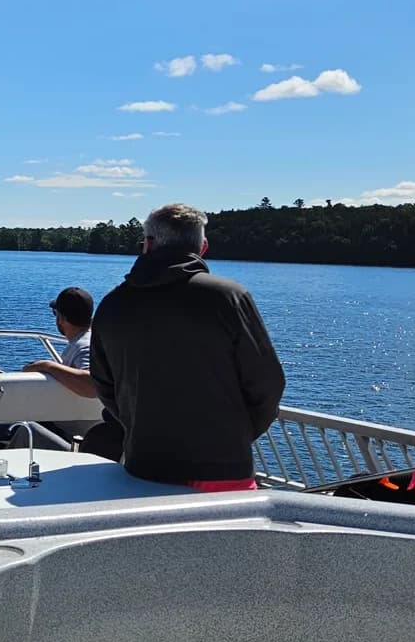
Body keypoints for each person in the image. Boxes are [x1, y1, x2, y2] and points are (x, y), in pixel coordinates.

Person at [90, 203, 286, 493]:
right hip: (223, 472)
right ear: (202, 247)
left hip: (144, 469)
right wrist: (235, 436)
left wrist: (140, 429)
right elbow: (268, 384)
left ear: (147, 244)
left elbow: (105, 386)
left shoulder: (113, 305)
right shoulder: (228, 298)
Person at [23, 287, 97, 398]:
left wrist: (47, 366)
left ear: (61, 319)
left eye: (55, 313)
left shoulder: (84, 346)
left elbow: (93, 385)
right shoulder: (95, 339)